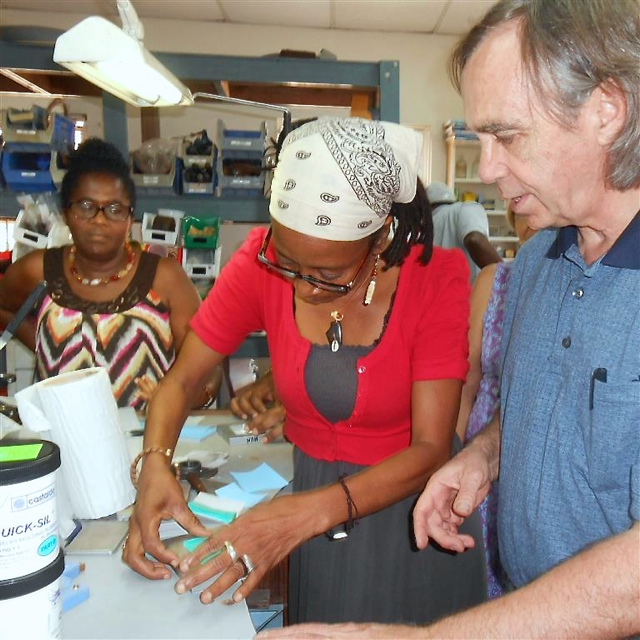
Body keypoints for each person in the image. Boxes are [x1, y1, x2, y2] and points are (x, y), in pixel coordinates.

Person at [259, 0, 640, 637]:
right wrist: (484, 457)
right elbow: (542, 413)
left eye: (508, 135)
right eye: (480, 139)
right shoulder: (541, 258)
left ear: (605, 110)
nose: (486, 168)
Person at [124, 117, 487, 626]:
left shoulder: (435, 278)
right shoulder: (260, 263)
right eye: (286, 261)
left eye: (328, 275)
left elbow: (430, 450)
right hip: (315, 526)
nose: (302, 288)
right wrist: (156, 462)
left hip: (415, 522)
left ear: (380, 239)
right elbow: (181, 381)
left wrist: (302, 515)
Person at [0, 138, 220, 410]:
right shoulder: (38, 270)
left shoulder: (164, 278)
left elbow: (208, 367)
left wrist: (179, 398)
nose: (100, 219)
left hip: (144, 440)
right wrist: (47, 345)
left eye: (115, 209)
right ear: (66, 213)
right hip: (62, 439)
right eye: (85, 206)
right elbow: (5, 309)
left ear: (130, 218)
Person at [454, 203, 536, 600]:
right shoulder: (494, 281)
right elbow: (464, 382)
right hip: (477, 462)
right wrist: (449, 457)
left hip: (530, 471)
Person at [426, 181, 501, 282]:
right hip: (470, 293)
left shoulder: (425, 226)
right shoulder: (464, 208)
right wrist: (505, 277)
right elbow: (474, 239)